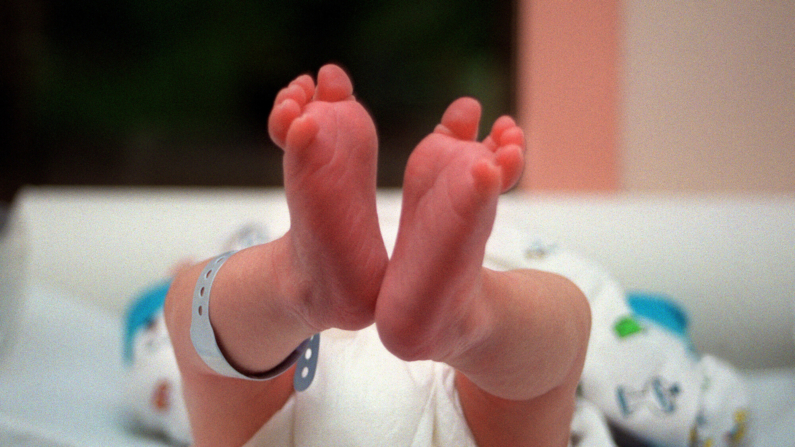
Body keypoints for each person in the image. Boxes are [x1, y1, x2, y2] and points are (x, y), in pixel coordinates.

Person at [163, 63, 591, 447]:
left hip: (276, 405)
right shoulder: (512, 245)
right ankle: (473, 316)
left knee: (191, 317)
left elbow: (164, 359)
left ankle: (292, 281)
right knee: (562, 339)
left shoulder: (245, 239)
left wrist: (180, 281)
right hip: (475, 403)